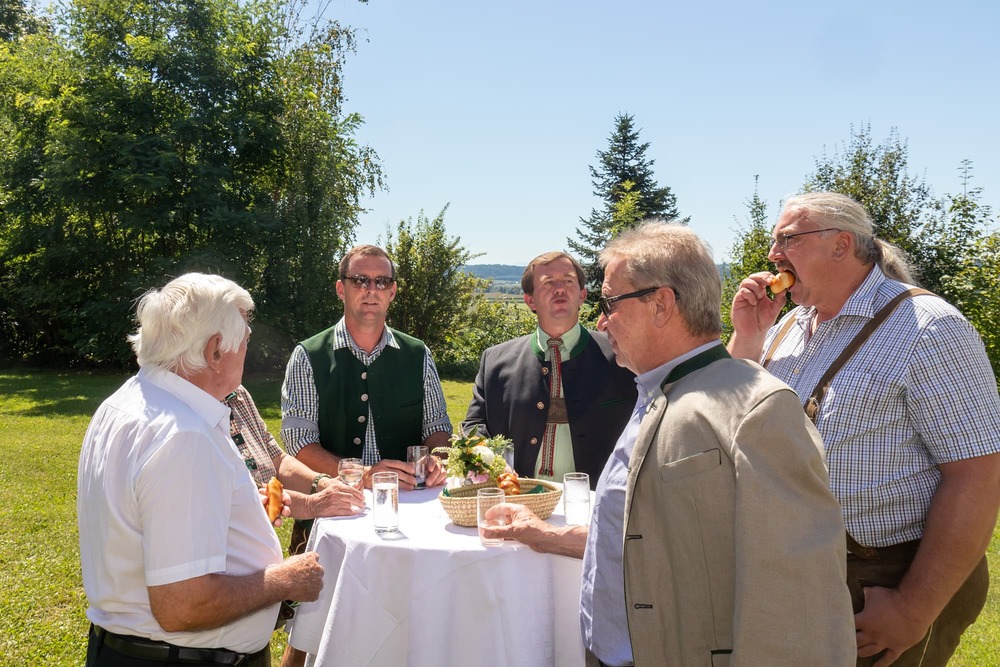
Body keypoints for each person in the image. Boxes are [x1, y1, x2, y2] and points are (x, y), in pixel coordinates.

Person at [484, 222, 855, 665]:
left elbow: (800, 602)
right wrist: (543, 535)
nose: (601, 321)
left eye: (609, 303)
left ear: (660, 304)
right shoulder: (653, 392)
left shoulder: (758, 410)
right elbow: (644, 535)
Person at [728, 191, 1000, 667]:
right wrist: (748, 337)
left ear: (841, 244)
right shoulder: (788, 326)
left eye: (788, 239)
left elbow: (978, 475)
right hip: (797, 570)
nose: (773, 255)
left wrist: (912, 609)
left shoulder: (930, 328)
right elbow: (731, 414)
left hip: (885, 580)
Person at [78, 273, 324, 667]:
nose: (248, 353)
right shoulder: (184, 435)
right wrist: (287, 579)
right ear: (215, 351)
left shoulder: (123, 404)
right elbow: (183, 606)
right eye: (245, 342)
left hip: (129, 651)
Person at [279, 244, 452, 667]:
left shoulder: (417, 354)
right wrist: (363, 473)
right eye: (360, 280)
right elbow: (299, 442)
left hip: (411, 516)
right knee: (309, 629)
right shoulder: (309, 355)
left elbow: (437, 427)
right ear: (341, 289)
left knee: (405, 614)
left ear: (393, 292)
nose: (371, 289)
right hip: (330, 510)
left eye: (381, 281)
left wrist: (435, 457)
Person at [461, 251, 636, 486]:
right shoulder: (495, 361)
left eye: (568, 281)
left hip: (599, 500)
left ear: (582, 295)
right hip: (519, 498)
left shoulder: (622, 353)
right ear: (530, 301)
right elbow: (473, 427)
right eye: (548, 283)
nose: (560, 289)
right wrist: (493, 463)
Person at [227, 385, 365, 519]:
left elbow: (278, 460)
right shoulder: (213, 411)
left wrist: (322, 483)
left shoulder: (237, 393)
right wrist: (311, 505)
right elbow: (237, 491)